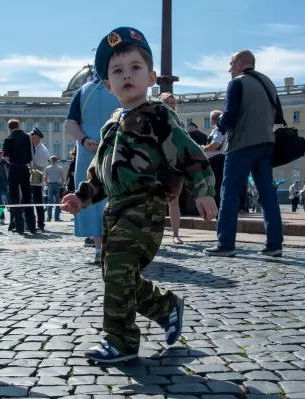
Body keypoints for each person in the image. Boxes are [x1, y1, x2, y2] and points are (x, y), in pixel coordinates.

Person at [61, 27, 217, 364]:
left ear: (151, 77)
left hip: (146, 205)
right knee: (116, 272)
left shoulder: (160, 115)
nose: (126, 75)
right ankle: (165, 306)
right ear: (107, 85)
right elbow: (99, 175)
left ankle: (121, 341)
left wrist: (203, 192)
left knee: (117, 269)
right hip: (115, 208)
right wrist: (81, 198)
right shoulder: (110, 126)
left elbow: (190, 155)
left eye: (134, 68)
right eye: (117, 71)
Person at [203, 50, 284, 258]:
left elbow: (229, 117)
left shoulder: (237, 83)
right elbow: (279, 116)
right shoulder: (269, 83)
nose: (229, 69)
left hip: (242, 145)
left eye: (231, 64)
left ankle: (225, 243)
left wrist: (219, 124)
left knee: (229, 192)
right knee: (267, 195)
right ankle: (274, 244)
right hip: (267, 143)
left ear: (239, 64)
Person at [65, 61, 121, 263]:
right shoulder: (118, 88)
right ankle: (116, 246)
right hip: (116, 149)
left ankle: (99, 248)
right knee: (116, 195)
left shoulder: (82, 91)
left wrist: (84, 140)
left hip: (88, 152)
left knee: (91, 195)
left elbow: (70, 122)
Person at [158, 92, 186, 245]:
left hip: (174, 165)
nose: (171, 104)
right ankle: (155, 234)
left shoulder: (179, 123)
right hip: (157, 164)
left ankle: (176, 234)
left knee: (174, 201)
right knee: (155, 201)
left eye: (173, 102)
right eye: (167, 102)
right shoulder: (155, 120)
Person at [3, 119, 36, 234]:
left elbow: (6, 158)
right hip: (25, 169)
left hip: (13, 169)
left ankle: (19, 226)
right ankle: (32, 225)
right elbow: (32, 155)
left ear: (10, 128)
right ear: (18, 126)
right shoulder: (27, 138)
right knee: (27, 198)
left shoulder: (8, 139)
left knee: (14, 198)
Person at [203, 110, 228, 208]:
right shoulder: (224, 128)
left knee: (215, 184)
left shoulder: (218, 128)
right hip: (221, 159)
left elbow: (216, 144)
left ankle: (217, 208)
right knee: (219, 184)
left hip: (216, 159)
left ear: (213, 119)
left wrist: (204, 148)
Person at [30, 127, 50, 230]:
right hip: (32, 179)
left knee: (38, 202)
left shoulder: (42, 150)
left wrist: (27, 168)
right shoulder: (35, 148)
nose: (31, 139)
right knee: (33, 201)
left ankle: (41, 223)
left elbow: (39, 167)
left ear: (37, 137)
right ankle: (33, 221)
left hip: (37, 180)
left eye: (32, 137)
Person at [45, 155, 64, 221]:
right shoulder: (60, 168)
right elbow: (62, 179)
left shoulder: (48, 168)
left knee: (49, 202)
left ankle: (49, 217)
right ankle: (56, 217)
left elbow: (45, 179)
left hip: (50, 184)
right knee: (57, 202)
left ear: (51, 160)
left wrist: (48, 184)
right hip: (57, 185)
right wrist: (61, 184)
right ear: (56, 160)